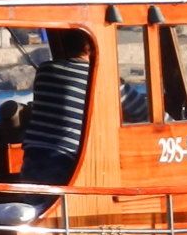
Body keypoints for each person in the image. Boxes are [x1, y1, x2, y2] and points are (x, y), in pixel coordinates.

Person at [22, 30, 147, 184]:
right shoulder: (102, 78)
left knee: (36, 201)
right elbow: (144, 112)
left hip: (32, 157)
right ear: (92, 49)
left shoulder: (45, 70)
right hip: (66, 162)